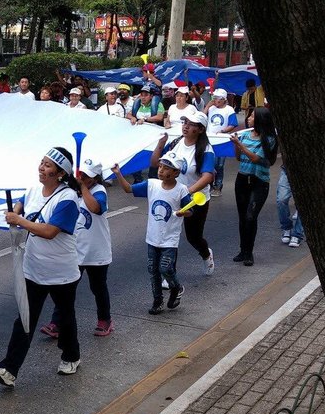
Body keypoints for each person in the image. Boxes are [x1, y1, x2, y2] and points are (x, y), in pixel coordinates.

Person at [0, 147, 82, 387]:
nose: (42, 167)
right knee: (25, 319)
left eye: (48, 165)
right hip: (33, 269)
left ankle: (71, 356)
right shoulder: (32, 190)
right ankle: (9, 369)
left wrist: (19, 221)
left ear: (60, 173)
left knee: (65, 318)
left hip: (61, 272)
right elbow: (20, 204)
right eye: (42, 162)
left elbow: (50, 231)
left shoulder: (68, 199)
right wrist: (14, 212)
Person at [40, 157, 115, 338]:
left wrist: (82, 187)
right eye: (80, 175)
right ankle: (57, 323)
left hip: (97, 252)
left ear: (95, 178)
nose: (82, 178)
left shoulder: (99, 190)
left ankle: (105, 321)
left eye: (86, 176)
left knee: (98, 288)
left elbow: (96, 208)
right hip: (76, 251)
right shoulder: (72, 191)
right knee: (67, 288)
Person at [110, 155, 191, 315]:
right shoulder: (151, 184)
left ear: (176, 173)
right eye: (160, 167)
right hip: (153, 238)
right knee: (152, 270)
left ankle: (177, 287)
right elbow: (128, 189)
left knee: (165, 268)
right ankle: (157, 301)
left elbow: (190, 210)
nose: (161, 170)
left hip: (169, 239)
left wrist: (184, 213)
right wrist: (118, 173)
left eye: (166, 168)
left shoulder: (181, 190)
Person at [152, 112, 216, 275]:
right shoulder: (175, 143)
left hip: (195, 200)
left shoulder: (205, 150)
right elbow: (154, 163)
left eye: (191, 124)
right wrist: (160, 144)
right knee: (168, 237)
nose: (186, 126)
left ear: (201, 129)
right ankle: (168, 273)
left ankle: (206, 254)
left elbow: (208, 176)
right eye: (185, 122)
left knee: (193, 237)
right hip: (172, 197)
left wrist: (187, 191)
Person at [230, 107, 278, 266]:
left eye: (252, 116)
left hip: (259, 181)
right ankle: (243, 250)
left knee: (251, 216)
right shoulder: (244, 135)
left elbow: (257, 159)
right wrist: (236, 145)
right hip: (243, 179)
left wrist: (240, 145)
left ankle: (249, 252)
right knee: (243, 217)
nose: (248, 118)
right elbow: (238, 158)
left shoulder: (269, 138)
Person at [206, 88, 238, 195]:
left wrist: (223, 131)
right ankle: (209, 184)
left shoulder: (229, 110)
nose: (215, 100)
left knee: (219, 165)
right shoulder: (211, 109)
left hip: (222, 141)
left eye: (217, 98)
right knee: (209, 163)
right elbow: (200, 116)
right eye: (213, 98)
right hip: (210, 140)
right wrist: (207, 106)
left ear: (224, 99)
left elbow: (233, 124)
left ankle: (218, 186)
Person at [275, 165, 304, 248]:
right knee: (281, 200)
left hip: (307, 171)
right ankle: (286, 227)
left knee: (303, 202)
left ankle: (297, 234)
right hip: (287, 169)